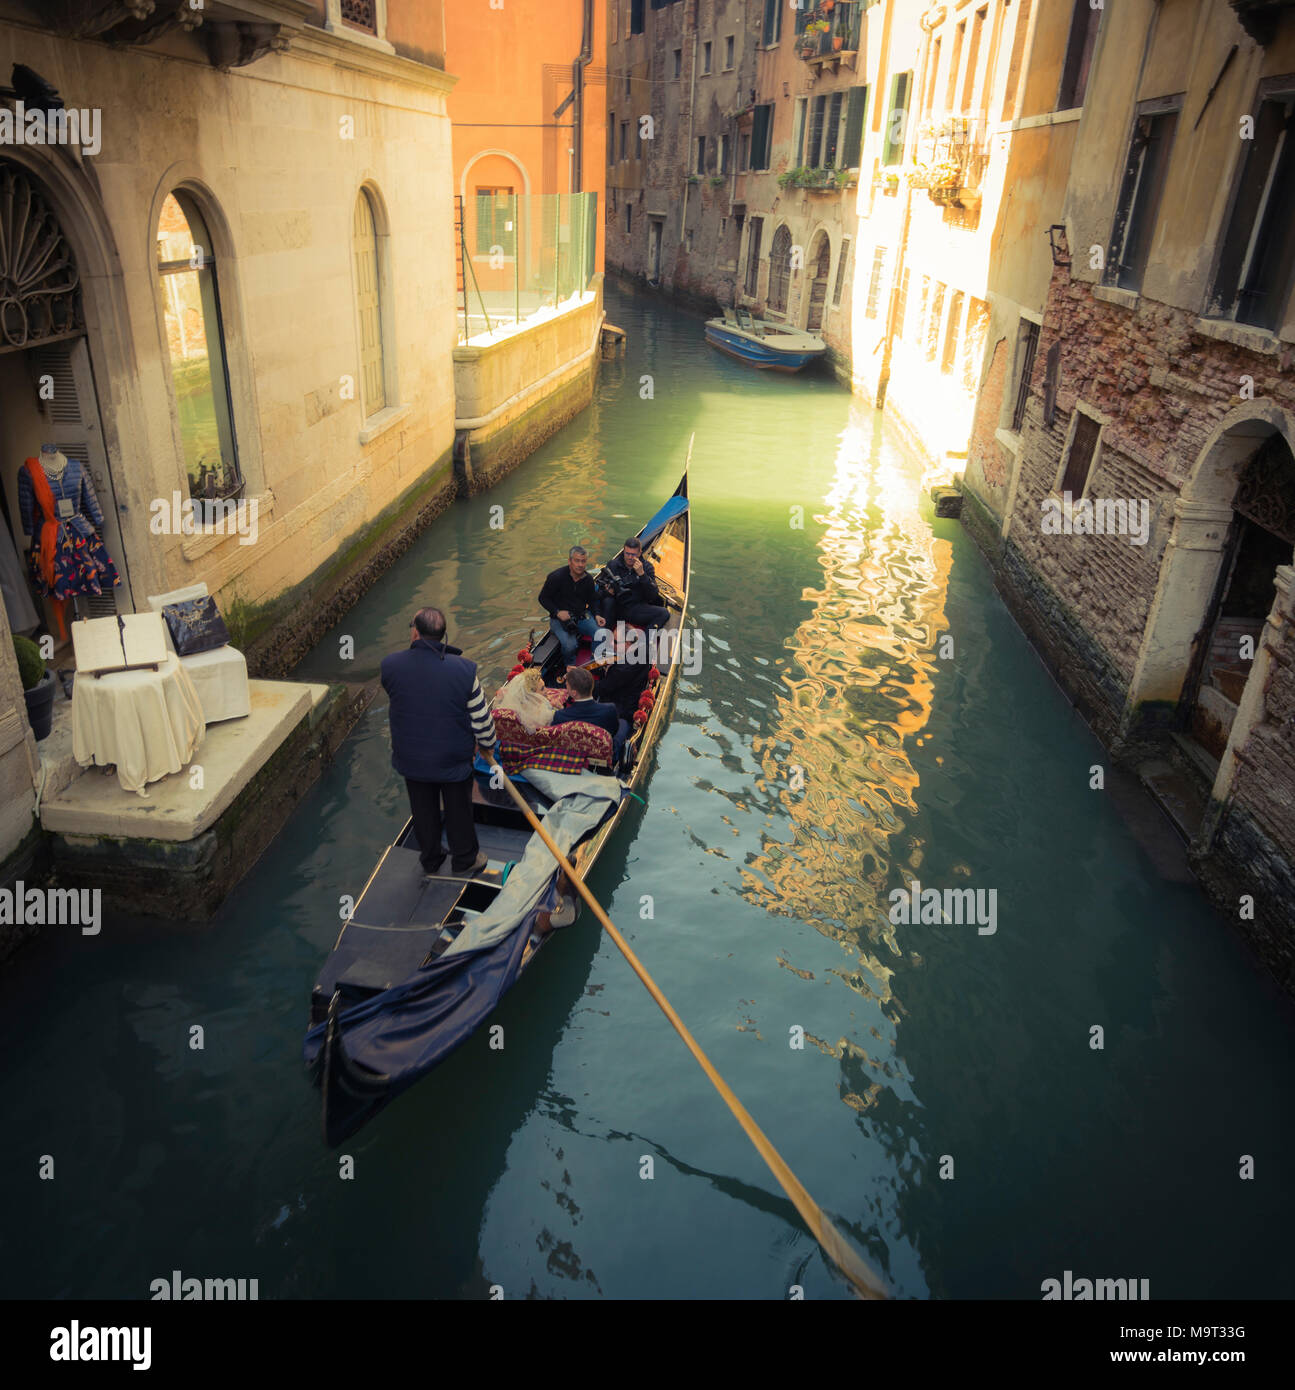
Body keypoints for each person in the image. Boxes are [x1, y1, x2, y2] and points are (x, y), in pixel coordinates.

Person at [380, 607, 497, 878]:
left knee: (423, 810)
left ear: (415, 632)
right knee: (458, 810)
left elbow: (406, 696)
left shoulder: (390, 666)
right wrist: (487, 743)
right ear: (443, 635)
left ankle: (431, 860)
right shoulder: (465, 670)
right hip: (452, 758)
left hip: (411, 758)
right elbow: (481, 718)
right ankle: (465, 859)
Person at [538, 545, 606, 670]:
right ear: (570, 561)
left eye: (583, 561)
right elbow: (543, 598)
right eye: (577, 561)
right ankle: (570, 668)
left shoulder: (588, 580)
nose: (580, 565)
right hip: (559, 619)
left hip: (581, 616)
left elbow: (593, 600)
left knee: (601, 634)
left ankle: (594, 664)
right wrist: (557, 612)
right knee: (570, 645)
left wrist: (597, 614)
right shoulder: (556, 577)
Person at [596, 536, 668, 630]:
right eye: (627, 553)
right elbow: (598, 593)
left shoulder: (647, 567)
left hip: (636, 608)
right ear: (623, 551)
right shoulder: (613, 565)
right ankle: (605, 636)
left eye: (633, 555)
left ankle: (645, 642)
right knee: (608, 601)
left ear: (639, 553)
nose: (630, 557)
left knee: (664, 613)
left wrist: (642, 575)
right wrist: (607, 592)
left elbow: (652, 596)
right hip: (615, 607)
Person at [551, 666, 622, 757]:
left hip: (572, 758)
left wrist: (562, 710)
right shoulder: (609, 709)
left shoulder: (560, 716)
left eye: (567, 685)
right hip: (600, 756)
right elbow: (613, 731)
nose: (565, 687)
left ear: (574, 693)